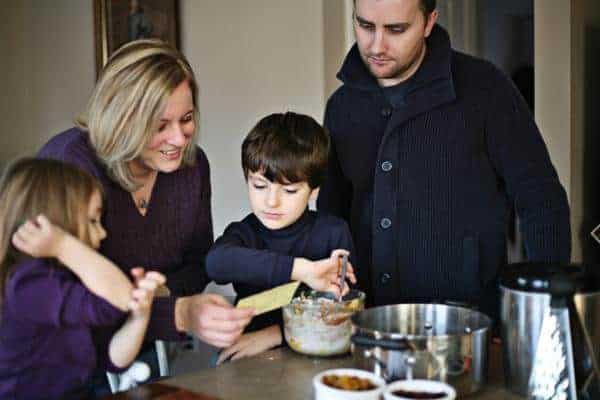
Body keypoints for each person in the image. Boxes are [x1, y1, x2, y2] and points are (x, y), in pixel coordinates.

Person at [317, 0, 571, 320]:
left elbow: (541, 199)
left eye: (396, 29)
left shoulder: (486, 89)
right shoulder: (341, 106)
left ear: (429, 22)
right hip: (365, 321)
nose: (376, 45)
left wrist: (546, 309)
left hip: (469, 321)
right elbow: (330, 215)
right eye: (365, 26)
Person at [38, 40, 254, 351]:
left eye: (187, 118)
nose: (179, 139)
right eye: (160, 125)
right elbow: (67, 301)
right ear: (121, 119)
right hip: (61, 358)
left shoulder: (192, 167)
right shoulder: (71, 164)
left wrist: (162, 292)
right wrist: (178, 313)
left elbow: (197, 263)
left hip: (148, 350)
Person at [0, 158, 165, 399]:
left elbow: (112, 359)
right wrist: (63, 244)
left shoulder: (69, 282)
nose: (103, 232)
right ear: (54, 223)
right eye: (93, 221)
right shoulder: (28, 284)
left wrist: (139, 315)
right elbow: (120, 297)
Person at [206, 112, 357, 363]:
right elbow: (216, 264)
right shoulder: (244, 233)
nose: (271, 201)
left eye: (289, 190)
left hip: (316, 352)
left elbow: (346, 313)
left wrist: (274, 334)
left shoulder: (333, 233)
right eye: (259, 186)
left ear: (313, 191)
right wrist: (302, 271)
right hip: (246, 355)